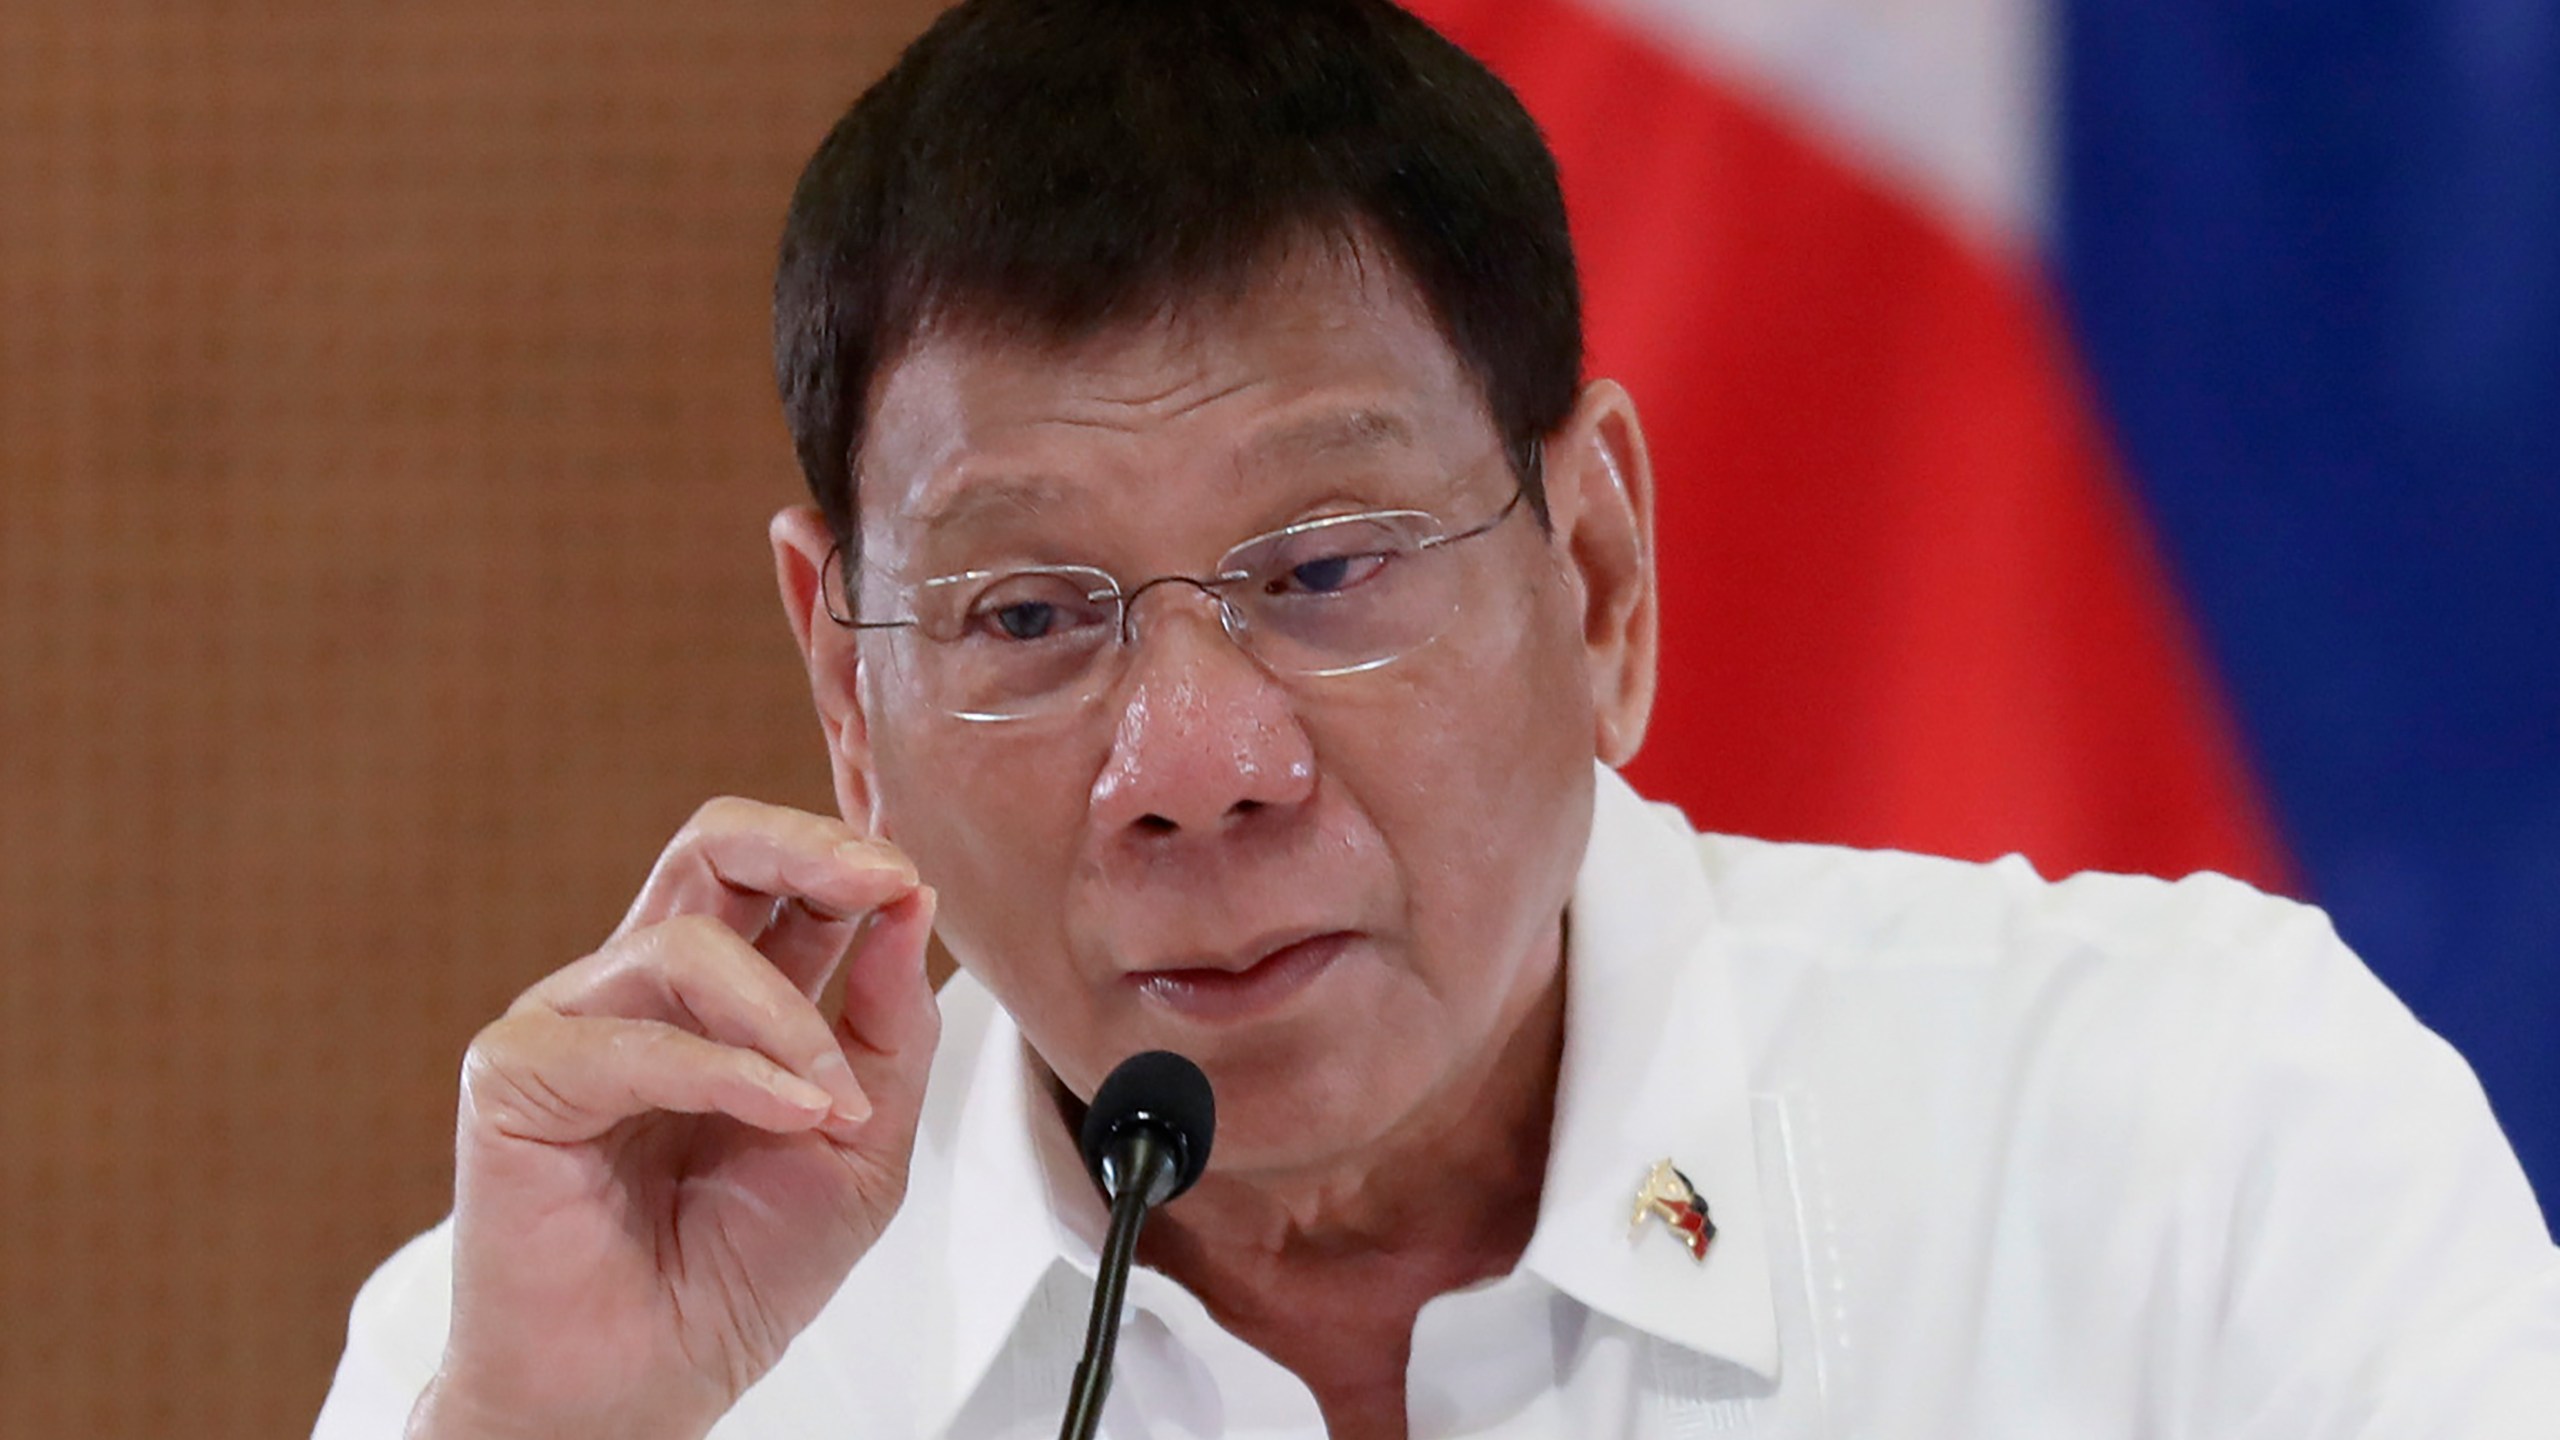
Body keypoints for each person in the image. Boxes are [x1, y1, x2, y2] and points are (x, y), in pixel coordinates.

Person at [313, 2, 2560, 1437]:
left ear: (1592, 576)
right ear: (845, 680)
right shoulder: (586, 1343)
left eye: (1321, 575)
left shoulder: (2198, 1147)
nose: (1191, 767)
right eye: (1026, 611)